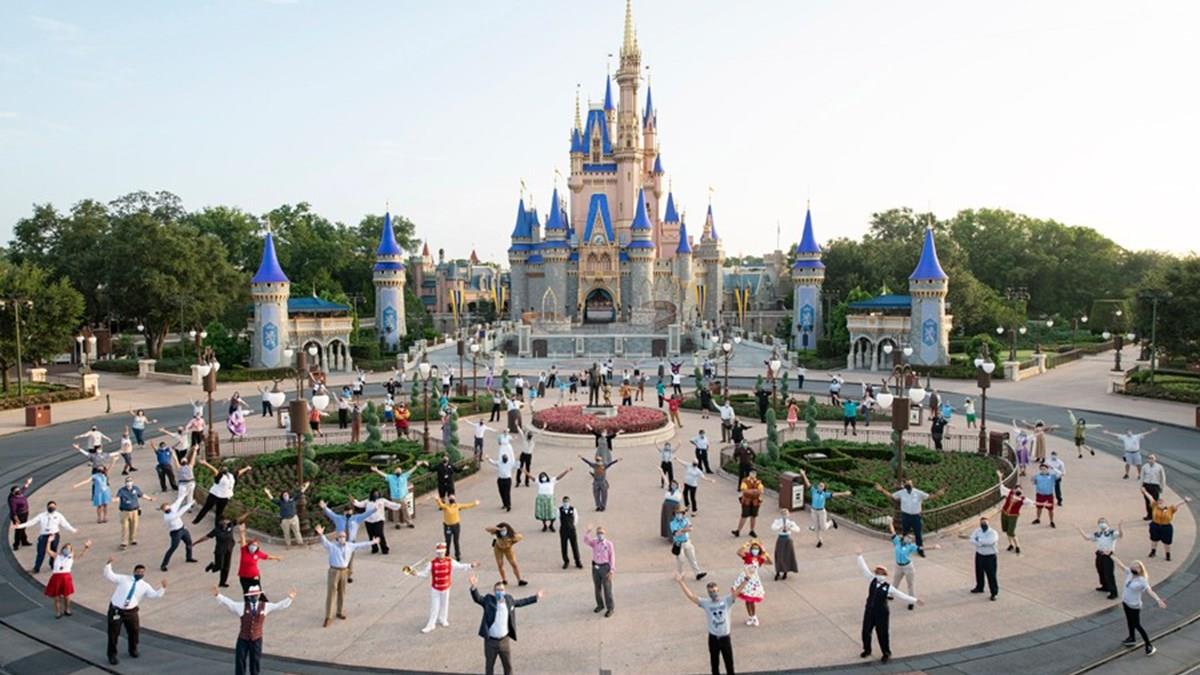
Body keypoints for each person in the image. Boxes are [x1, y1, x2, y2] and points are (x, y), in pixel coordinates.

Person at [855, 548, 921, 663]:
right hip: (869, 610)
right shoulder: (872, 580)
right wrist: (859, 556)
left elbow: (901, 595)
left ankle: (886, 652)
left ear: (885, 575)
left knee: (882, 633)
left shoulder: (888, 587)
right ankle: (867, 649)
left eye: (881, 573)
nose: (879, 575)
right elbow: (864, 569)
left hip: (882, 613)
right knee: (866, 631)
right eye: (877, 572)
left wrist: (914, 600)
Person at [469, 573, 543, 675]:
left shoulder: (509, 600)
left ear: (505, 591)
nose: (500, 592)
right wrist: (473, 586)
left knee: (508, 666)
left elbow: (521, 602)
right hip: (490, 641)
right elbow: (478, 598)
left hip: (504, 641)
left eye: (502, 590)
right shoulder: (488, 600)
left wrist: (535, 597)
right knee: (489, 666)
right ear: (494, 591)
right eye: (497, 590)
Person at [674, 573, 747, 675]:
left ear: (718, 590)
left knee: (729, 665)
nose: (713, 593)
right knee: (714, 665)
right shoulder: (706, 603)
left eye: (715, 591)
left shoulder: (727, 600)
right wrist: (681, 582)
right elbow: (691, 596)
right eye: (711, 592)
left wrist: (746, 579)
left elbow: (737, 591)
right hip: (713, 638)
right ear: (708, 593)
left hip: (725, 638)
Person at [213, 583, 294, 675]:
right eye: (252, 596)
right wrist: (218, 596)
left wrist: (289, 598)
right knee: (240, 660)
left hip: (256, 639)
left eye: (255, 595)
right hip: (243, 638)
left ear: (259, 596)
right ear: (249, 596)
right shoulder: (242, 606)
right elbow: (230, 604)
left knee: (255, 661)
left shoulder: (265, 606)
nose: (253, 597)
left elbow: (278, 606)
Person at [102, 558, 166, 665]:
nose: (140, 574)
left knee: (134, 631)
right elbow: (110, 575)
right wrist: (108, 564)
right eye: (138, 572)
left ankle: (133, 649)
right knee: (113, 633)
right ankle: (112, 655)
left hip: (131, 612)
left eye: (142, 572)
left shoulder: (144, 585)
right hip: (116, 610)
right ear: (134, 571)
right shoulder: (124, 579)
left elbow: (154, 595)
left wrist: (163, 588)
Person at [407, 542, 478, 634]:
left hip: (446, 587)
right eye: (438, 552)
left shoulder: (450, 561)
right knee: (434, 606)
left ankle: (443, 618)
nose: (440, 554)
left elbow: (460, 566)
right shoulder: (431, 563)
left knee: (445, 604)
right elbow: (425, 574)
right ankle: (431, 625)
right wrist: (416, 573)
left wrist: (470, 565)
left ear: (445, 552)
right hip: (436, 588)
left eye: (441, 552)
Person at [314, 524, 376, 627]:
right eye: (340, 536)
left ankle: (340, 611)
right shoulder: (332, 546)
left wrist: (372, 542)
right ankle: (328, 617)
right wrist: (321, 534)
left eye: (344, 536)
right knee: (332, 593)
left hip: (344, 571)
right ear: (337, 538)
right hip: (334, 571)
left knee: (342, 592)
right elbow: (325, 542)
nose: (342, 538)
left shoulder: (350, 546)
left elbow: (361, 545)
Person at [874, 480, 946, 557]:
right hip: (905, 516)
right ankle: (904, 549)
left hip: (916, 517)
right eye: (906, 483)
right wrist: (882, 490)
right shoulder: (902, 493)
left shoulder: (918, 493)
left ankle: (920, 550)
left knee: (918, 534)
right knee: (905, 534)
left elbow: (929, 497)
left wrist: (938, 494)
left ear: (912, 485)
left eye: (909, 483)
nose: (908, 484)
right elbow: (892, 496)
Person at [1114, 556, 1165, 656]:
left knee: (1137, 625)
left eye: (1135, 568)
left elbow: (1149, 591)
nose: (1133, 569)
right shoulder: (1130, 573)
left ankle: (1149, 645)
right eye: (1132, 567)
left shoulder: (1142, 580)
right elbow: (1121, 565)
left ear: (1140, 569)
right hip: (1126, 602)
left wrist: (1158, 600)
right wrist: (1111, 555)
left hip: (1134, 605)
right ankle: (1131, 638)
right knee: (1129, 621)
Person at [318, 499, 375, 582]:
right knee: (338, 558)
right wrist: (324, 508)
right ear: (344, 512)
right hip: (339, 542)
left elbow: (365, 514)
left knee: (349, 559)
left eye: (349, 511)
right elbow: (331, 513)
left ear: (352, 511)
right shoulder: (338, 518)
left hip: (351, 542)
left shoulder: (356, 518)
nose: (348, 512)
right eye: (346, 511)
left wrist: (374, 509)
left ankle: (348, 575)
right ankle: (339, 573)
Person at [18, 500, 78, 574]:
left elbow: (65, 524)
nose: (51, 508)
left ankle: (53, 565)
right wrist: (19, 526)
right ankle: (36, 568)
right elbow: (31, 522)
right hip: (44, 536)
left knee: (53, 551)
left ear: (56, 507)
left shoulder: (58, 515)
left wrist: (73, 530)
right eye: (50, 506)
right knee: (40, 552)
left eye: (53, 507)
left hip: (54, 535)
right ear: (47, 507)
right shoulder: (41, 515)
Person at [799, 470, 849, 548]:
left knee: (824, 528)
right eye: (819, 485)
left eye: (822, 486)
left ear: (824, 488)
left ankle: (831, 522)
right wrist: (803, 474)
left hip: (821, 512)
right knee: (816, 527)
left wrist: (844, 493)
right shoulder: (814, 490)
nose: (820, 486)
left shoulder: (825, 494)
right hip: (813, 511)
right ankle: (820, 541)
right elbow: (807, 483)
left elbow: (834, 494)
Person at [370, 461, 427, 529]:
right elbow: (383, 474)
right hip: (394, 498)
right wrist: (376, 470)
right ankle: (397, 524)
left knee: (405, 510)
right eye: (397, 471)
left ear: (401, 472)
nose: (398, 472)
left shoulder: (404, 476)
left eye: (399, 471)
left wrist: (417, 465)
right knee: (395, 511)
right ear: (394, 472)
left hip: (402, 497)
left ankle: (409, 523)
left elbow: (411, 471)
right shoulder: (391, 477)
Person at [193, 461, 252, 526]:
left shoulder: (230, 476)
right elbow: (214, 469)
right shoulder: (222, 476)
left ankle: (216, 525)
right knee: (208, 509)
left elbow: (239, 472)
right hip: (216, 496)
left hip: (222, 497)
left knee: (217, 512)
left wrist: (247, 468)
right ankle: (198, 520)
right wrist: (205, 463)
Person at [43, 539, 91, 617]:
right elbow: (48, 550)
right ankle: (58, 612)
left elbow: (81, 555)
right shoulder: (57, 556)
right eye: (66, 548)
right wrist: (48, 541)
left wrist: (86, 547)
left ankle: (67, 609)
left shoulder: (71, 557)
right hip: (56, 577)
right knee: (56, 596)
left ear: (71, 550)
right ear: (63, 549)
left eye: (69, 548)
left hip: (66, 577)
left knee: (67, 596)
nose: (67, 550)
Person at [1077, 518, 1123, 599]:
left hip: (1108, 555)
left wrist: (1120, 527)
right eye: (1100, 522)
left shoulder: (1111, 532)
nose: (1101, 523)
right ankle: (1105, 586)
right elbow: (1087, 538)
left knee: (1108, 573)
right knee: (1100, 571)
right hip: (1099, 555)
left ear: (1107, 523)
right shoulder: (1098, 534)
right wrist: (1079, 529)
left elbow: (1120, 535)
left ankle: (1113, 592)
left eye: (1103, 522)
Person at [996, 471, 1036, 554]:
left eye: (1019, 489)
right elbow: (1001, 486)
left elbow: (1033, 503)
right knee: (1006, 530)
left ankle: (1017, 546)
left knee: (1011, 532)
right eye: (1016, 489)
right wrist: (1000, 477)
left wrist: (1044, 504)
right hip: (1005, 513)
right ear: (1014, 489)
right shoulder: (1009, 493)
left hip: (1013, 516)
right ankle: (1011, 544)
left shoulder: (1023, 499)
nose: (1017, 490)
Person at [195, 515, 240, 588]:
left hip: (229, 549)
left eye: (226, 521)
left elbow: (239, 519)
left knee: (226, 567)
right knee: (219, 566)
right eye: (222, 522)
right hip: (220, 550)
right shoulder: (217, 530)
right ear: (219, 522)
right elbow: (206, 537)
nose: (225, 523)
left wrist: (250, 512)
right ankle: (212, 565)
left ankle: (222, 582)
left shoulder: (230, 525)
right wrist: (195, 543)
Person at [733, 539, 771, 626]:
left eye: (757, 548)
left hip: (754, 581)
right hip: (745, 579)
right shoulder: (747, 556)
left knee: (752, 600)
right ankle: (750, 616)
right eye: (753, 548)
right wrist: (746, 544)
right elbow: (738, 552)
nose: (755, 550)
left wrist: (765, 552)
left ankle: (754, 616)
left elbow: (770, 562)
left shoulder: (760, 558)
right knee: (747, 600)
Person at [159, 490, 198, 571]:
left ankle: (189, 557)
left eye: (168, 508)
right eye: (166, 510)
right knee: (173, 548)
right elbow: (181, 512)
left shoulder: (171, 508)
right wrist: (190, 504)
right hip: (175, 533)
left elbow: (178, 502)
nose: (169, 510)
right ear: (163, 511)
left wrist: (184, 494)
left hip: (183, 528)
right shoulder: (168, 517)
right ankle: (163, 565)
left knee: (189, 543)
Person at [434, 494, 480, 561]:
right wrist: (437, 499)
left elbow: (466, 506)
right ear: (449, 500)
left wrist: (474, 503)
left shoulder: (457, 506)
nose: (451, 499)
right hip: (448, 526)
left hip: (456, 526)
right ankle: (446, 554)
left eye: (452, 498)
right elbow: (440, 504)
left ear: (455, 500)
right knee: (448, 541)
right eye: (450, 498)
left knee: (456, 540)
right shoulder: (446, 506)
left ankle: (457, 555)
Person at [583, 524, 616, 617]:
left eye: (601, 533)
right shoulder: (594, 542)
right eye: (598, 533)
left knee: (607, 589)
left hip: (605, 568)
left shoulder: (609, 544)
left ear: (604, 533)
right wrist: (588, 531)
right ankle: (600, 605)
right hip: (596, 567)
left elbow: (612, 557)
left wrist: (612, 570)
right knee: (597, 588)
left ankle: (610, 608)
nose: (600, 534)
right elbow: (586, 541)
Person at [1147, 492, 1190, 561]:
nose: (1160, 503)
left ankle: (1168, 555)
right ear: (1157, 503)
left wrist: (1185, 500)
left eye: (1162, 502)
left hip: (1166, 527)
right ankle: (1153, 551)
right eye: (1159, 502)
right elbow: (1150, 497)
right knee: (1154, 540)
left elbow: (1177, 504)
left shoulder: (1170, 509)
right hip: (1155, 525)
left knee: (1167, 542)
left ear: (1164, 503)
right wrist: (1144, 491)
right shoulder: (1154, 506)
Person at [964, 516, 999, 600]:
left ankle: (994, 593)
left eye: (985, 523)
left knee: (991, 575)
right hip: (979, 554)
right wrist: (981, 542)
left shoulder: (993, 533)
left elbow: (990, 542)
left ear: (988, 523)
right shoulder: (977, 531)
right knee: (979, 572)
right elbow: (972, 539)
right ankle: (979, 587)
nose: (983, 524)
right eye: (982, 523)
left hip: (989, 556)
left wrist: (978, 540)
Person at [263, 483, 309, 548]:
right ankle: (288, 544)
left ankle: (300, 543)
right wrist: (268, 493)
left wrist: (305, 487)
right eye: (284, 495)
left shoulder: (292, 500)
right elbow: (272, 499)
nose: (286, 496)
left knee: (297, 532)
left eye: (286, 494)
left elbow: (300, 493)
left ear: (288, 495)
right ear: (282, 496)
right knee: (286, 533)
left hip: (294, 518)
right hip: (285, 520)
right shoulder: (280, 502)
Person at [116, 476, 155, 549]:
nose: (129, 483)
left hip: (134, 510)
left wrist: (150, 498)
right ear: (125, 483)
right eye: (127, 481)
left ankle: (132, 539)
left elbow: (142, 495)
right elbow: (118, 498)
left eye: (130, 481)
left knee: (134, 525)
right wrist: (114, 500)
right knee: (125, 527)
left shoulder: (135, 489)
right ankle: (124, 542)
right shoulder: (122, 490)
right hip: (125, 511)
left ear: (132, 482)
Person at [671, 505, 707, 580]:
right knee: (681, 560)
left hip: (687, 542)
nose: (679, 514)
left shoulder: (686, 520)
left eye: (680, 512)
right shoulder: (673, 523)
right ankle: (680, 574)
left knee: (692, 558)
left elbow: (691, 528)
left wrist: (682, 530)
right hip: (679, 544)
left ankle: (698, 573)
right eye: (677, 513)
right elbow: (676, 533)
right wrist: (684, 529)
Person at [731, 471, 764, 538]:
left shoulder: (758, 482)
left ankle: (752, 531)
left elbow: (761, 491)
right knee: (744, 515)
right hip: (746, 501)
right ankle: (738, 531)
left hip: (755, 501)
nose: (753, 475)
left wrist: (750, 491)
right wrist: (755, 491)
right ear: (749, 474)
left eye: (754, 474)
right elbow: (744, 490)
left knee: (753, 516)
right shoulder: (745, 481)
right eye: (752, 473)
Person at [770, 509, 800, 581]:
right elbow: (773, 527)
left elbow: (797, 529)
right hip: (780, 538)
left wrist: (790, 528)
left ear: (788, 514)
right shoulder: (777, 521)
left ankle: (785, 571)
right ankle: (778, 571)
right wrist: (780, 527)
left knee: (787, 556)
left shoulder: (790, 522)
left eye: (786, 513)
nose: (785, 515)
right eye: (783, 513)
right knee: (779, 556)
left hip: (787, 539)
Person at [486, 447, 517, 512]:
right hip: (500, 479)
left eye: (505, 459)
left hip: (507, 479)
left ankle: (508, 505)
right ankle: (505, 503)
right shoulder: (499, 462)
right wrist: (488, 458)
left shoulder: (510, 463)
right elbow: (493, 462)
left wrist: (519, 461)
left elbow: (516, 465)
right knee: (501, 492)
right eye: (504, 459)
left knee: (507, 492)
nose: (505, 460)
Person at [1029, 462, 1060, 528]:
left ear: (1047, 469)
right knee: (1039, 508)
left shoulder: (1052, 476)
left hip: (1049, 495)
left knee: (1050, 509)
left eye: (1044, 469)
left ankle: (1051, 521)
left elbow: (1060, 473)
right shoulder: (1037, 476)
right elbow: (1032, 481)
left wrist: (1053, 468)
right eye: (1041, 469)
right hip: (1039, 494)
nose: (1043, 470)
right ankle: (1038, 519)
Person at [8, 476, 33, 551]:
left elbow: (23, 489)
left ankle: (24, 541)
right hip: (19, 516)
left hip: (24, 513)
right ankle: (16, 544)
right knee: (19, 530)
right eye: (17, 491)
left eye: (18, 490)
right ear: (13, 492)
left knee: (23, 528)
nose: (19, 491)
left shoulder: (19, 493)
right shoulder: (12, 500)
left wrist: (27, 483)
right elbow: (13, 511)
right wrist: (17, 519)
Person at [1140, 454, 1166, 521]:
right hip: (1147, 485)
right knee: (1147, 501)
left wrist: (1162, 487)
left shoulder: (1159, 467)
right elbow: (1142, 477)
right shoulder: (1144, 467)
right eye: (1149, 458)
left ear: (1155, 459)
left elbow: (1163, 478)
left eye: (1152, 458)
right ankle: (1149, 515)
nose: (1150, 460)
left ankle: (1155, 515)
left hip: (1155, 486)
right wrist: (1141, 487)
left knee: (1154, 501)